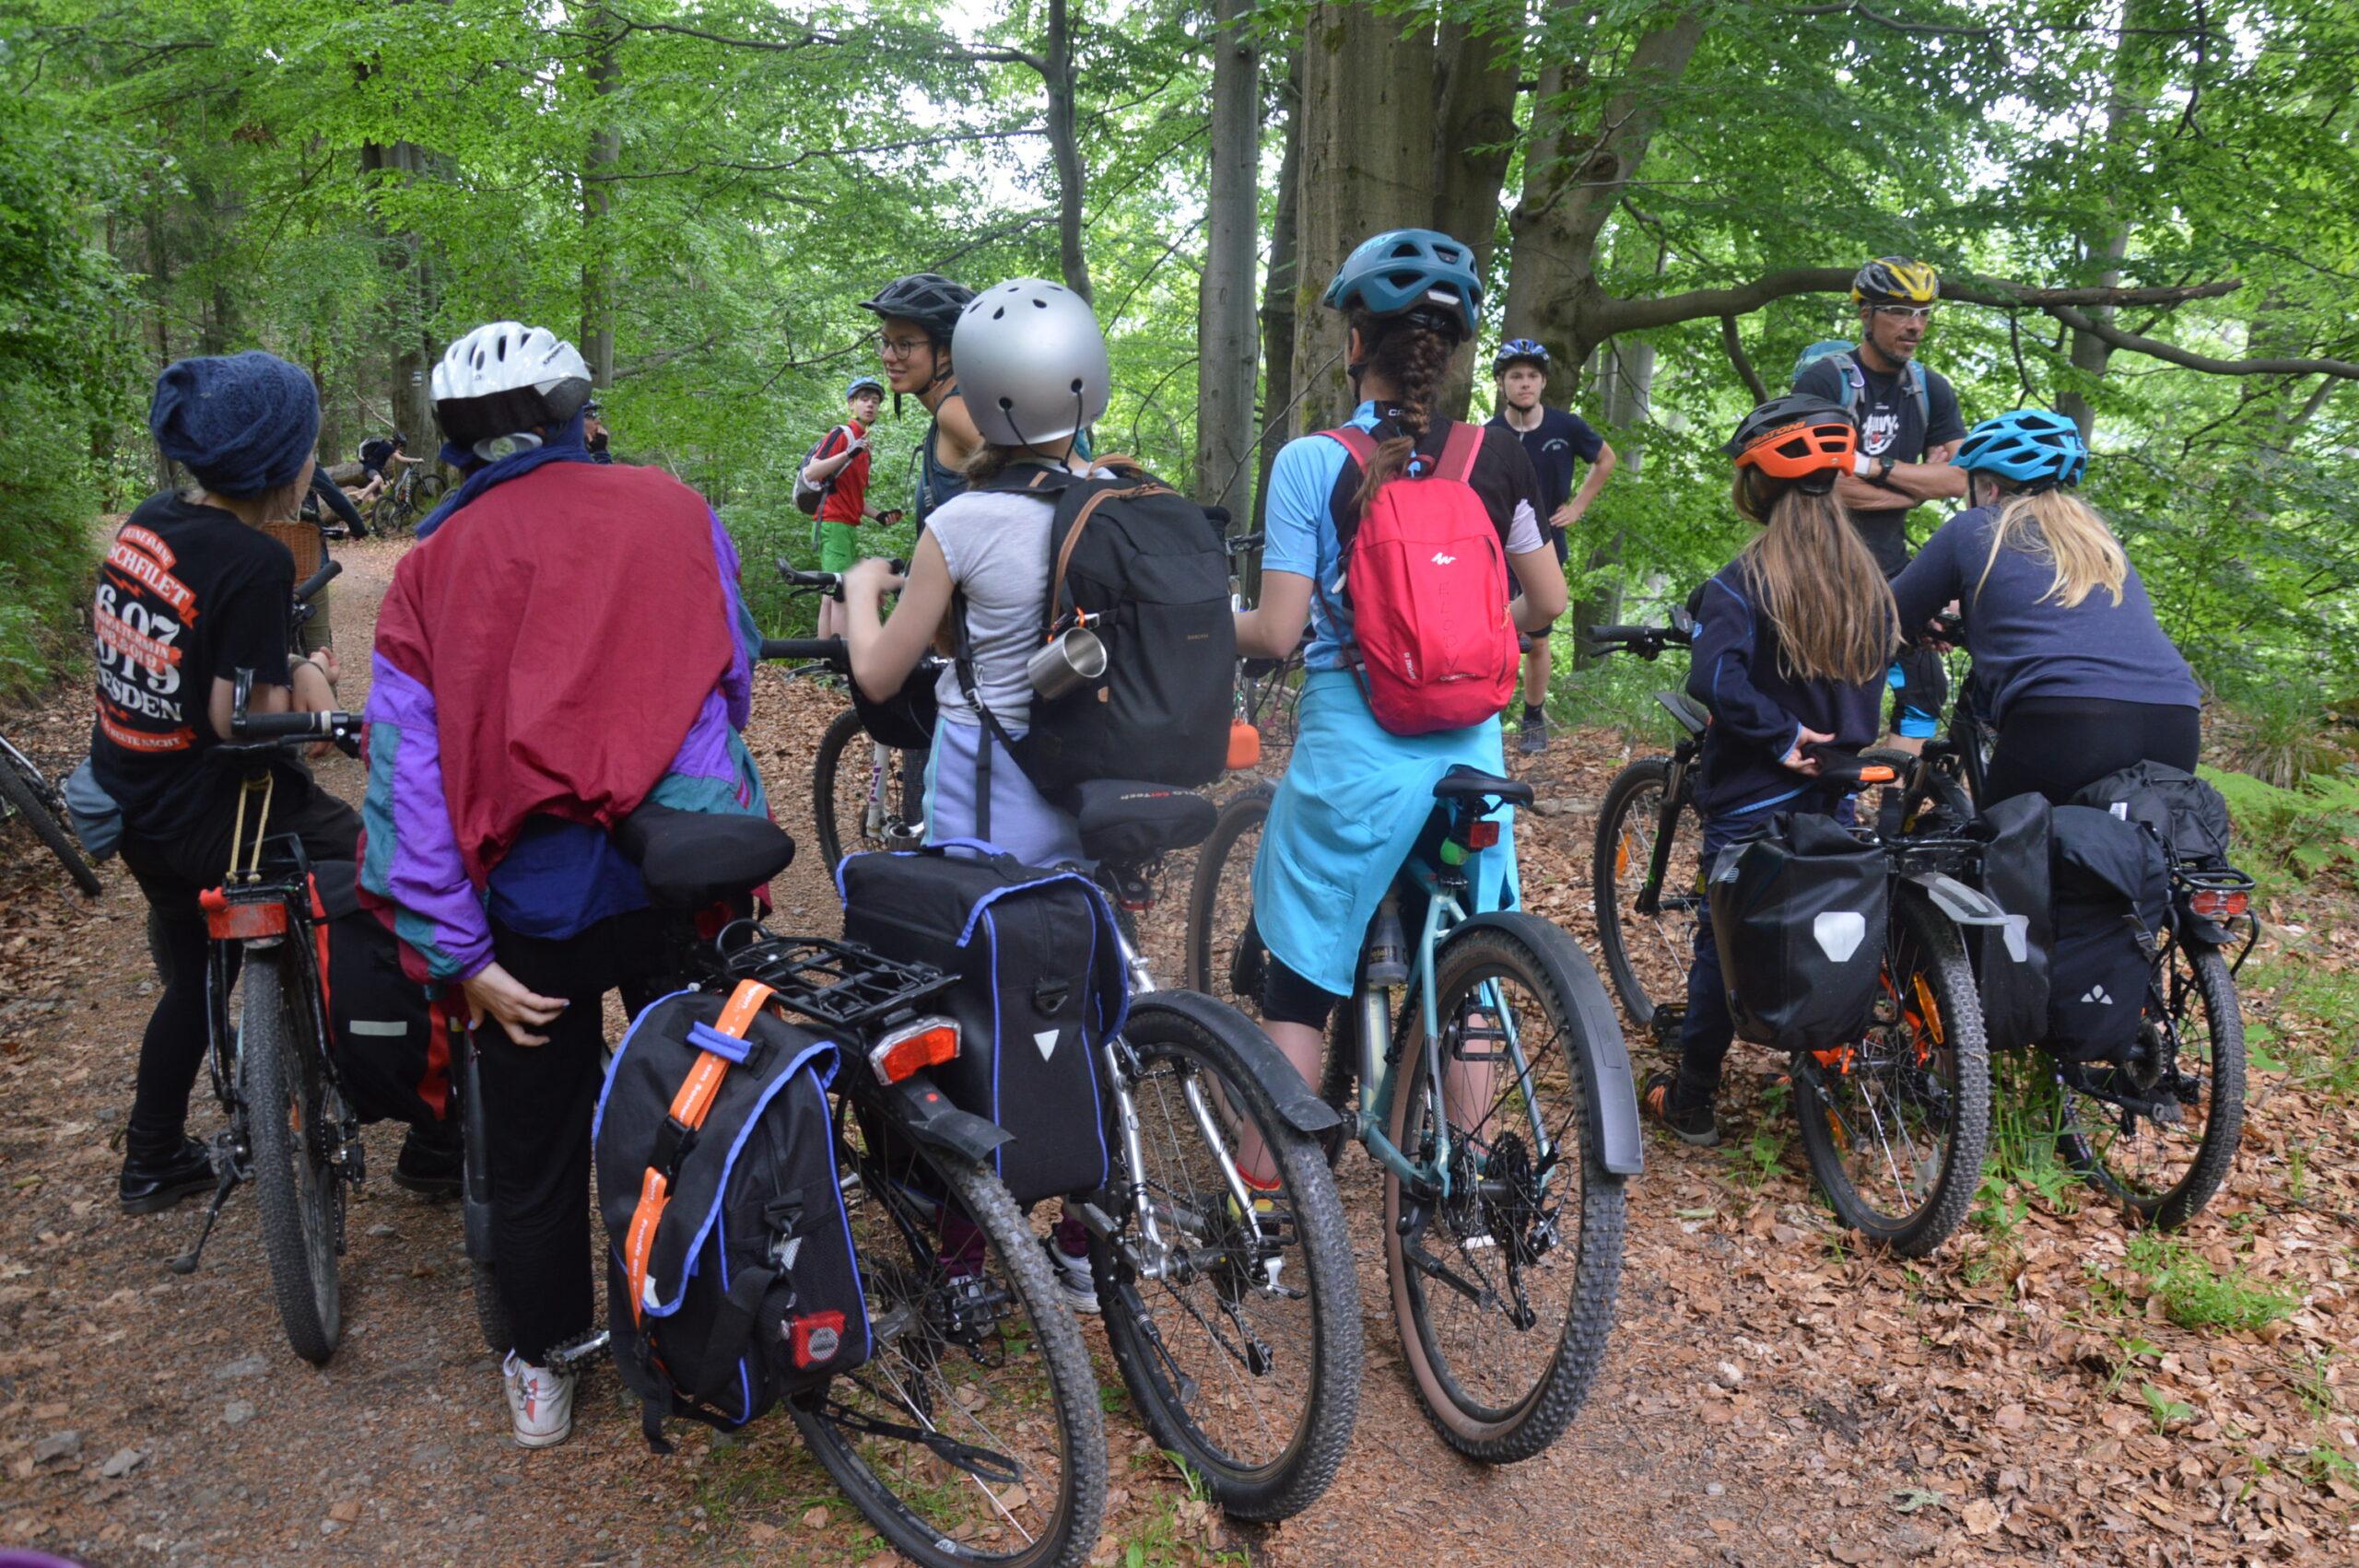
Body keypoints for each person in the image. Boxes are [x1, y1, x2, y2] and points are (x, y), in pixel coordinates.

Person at [358, 321, 771, 1448]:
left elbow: (411, 788)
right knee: (705, 1107)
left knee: (535, 1146)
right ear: (574, 413)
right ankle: (724, 1319)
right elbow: (730, 677)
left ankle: (543, 1365)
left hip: (528, 911)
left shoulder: (432, 571)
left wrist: (461, 956)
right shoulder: (677, 511)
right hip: (680, 869)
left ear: (454, 448)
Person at [1230, 229, 1567, 1172]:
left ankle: (1260, 1205)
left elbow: (1278, 631)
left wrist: (1212, 622)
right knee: (1463, 980)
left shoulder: (1310, 463)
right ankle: (1466, 1192)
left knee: (1299, 988)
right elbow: (1546, 603)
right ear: (1454, 353)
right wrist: (1460, 637)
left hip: (1353, 755)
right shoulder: (1499, 459)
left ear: (1353, 346)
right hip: (1471, 759)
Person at [839, 276, 1120, 1307]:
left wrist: (864, 588)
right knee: (1083, 1002)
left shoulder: (964, 524)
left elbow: (878, 675)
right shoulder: (1116, 502)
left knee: (972, 1006)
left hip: (987, 784)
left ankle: (962, 1261)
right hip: (1090, 784)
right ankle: (1090, 1243)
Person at [94, 352, 355, 1213]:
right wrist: (312, 677)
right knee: (381, 867)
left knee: (194, 973)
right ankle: (423, 1112)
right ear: (286, 461)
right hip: (215, 811)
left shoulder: (149, 523)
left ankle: (154, 1158)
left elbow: (187, 658)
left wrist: (276, 666)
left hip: (132, 795)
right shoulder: (252, 561)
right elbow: (236, 720)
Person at [1638, 395, 1896, 1147]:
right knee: (1824, 923)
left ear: (1758, 487)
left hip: (1757, 790)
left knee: (1724, 941)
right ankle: (1821, 1066)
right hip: (1837, 790)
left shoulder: (1741, 581)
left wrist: (1780, 735)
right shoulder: (1870, 585)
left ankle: (1693, 1098)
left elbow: (1713, 681)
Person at [1889, 410, 2201, 807]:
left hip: (2067, 719)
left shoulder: (1976, 526)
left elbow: (1888, 614)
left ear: (1989, 489)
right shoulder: (2097, 539)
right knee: (2126, 858)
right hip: (2175, 719)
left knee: (2009, 852)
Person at [1790, 256, 1967, 750]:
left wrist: (1876, 468)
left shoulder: (1929, 388)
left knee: (1924, 689)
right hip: (1820, 565)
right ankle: (1816, 813)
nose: (1915, 326)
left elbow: (1960, 480)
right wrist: (1916, 486)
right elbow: (1820, 484)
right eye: (1898, 311)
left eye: (1924, 313)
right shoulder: (1826, 382)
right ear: (1865, 314)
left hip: (1891, 566)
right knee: (1838, 696)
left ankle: (1897, 820)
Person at [1486, 338, 1617, 755]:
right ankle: (1484, 718)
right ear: (1503, 383)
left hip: (1545, 543)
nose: (1524, 384)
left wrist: (1578, 505)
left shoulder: (1566, 426)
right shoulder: (1488, 434)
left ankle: (1532, 718)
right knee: (1489, 634)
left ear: (1543, 382)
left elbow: (1606, 459)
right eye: (1515, 377)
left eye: (1531, 377)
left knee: (1538, 639)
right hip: (1494, 547)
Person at [858, 273, 979, 526]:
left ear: (945, 350)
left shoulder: (954, 411)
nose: (888, 356)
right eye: (885, 342)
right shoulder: (957, 408)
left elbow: (1034, 477)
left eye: (905, 344)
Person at [803, 374, 889, 636]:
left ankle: (826, 660)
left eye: (875, 401)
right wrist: (848, 453)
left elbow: (855, 497)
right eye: (864, 399)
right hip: (833, 523)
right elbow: (812, 472)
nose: (870, 405)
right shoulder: (843, 434)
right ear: (851, 404)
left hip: (846, 527)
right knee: (841, 592)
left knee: (832, 592)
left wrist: (880, 516)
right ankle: (840, 663)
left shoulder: (864, 447)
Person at [355, 429, 418, 502]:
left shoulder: (385, 445)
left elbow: (387, 453)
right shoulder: (389, 447)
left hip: (374, 468)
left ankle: (377, 511)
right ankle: (360, 497)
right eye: (401, 446)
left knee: (380, 499)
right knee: (378, 480)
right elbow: (401, 459)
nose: (400, 448)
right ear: (399, 444)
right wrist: (418, 460)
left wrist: (395, 451)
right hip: (370, 468)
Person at [582, 398, 614, 463]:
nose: (598, 421)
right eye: (590, 415)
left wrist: (600, 450)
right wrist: (601, 454)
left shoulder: (586, 452)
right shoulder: (568, 457)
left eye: (596, 414)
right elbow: (604, 473)